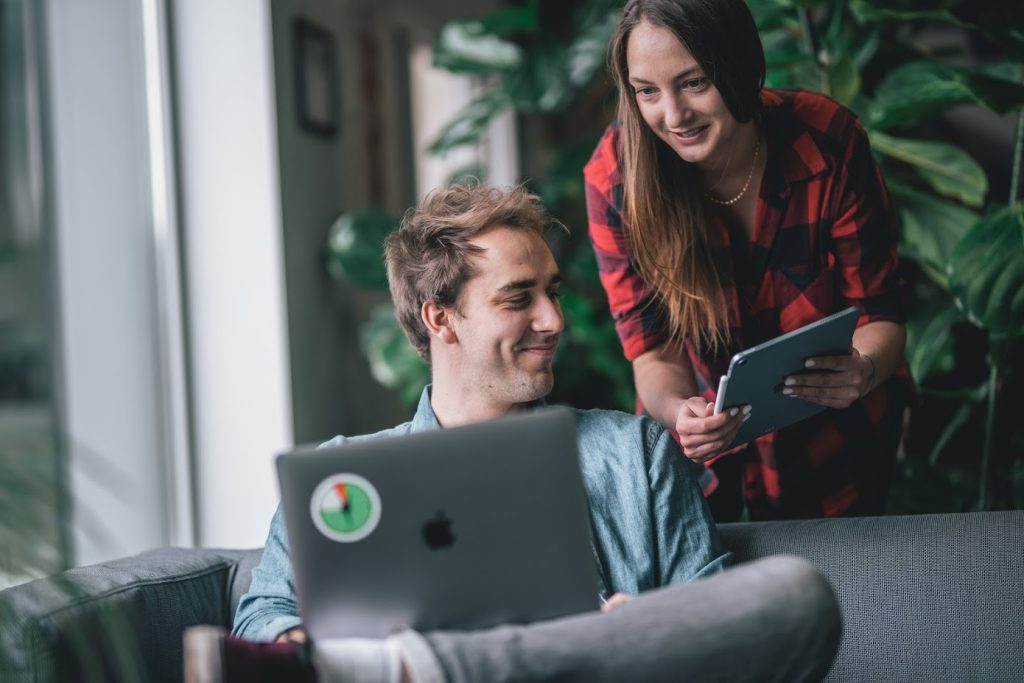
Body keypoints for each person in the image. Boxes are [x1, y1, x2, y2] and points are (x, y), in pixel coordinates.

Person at [188, 184, 841, 683]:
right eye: (517, 297)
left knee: (798, 595)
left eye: (552, 291)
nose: (554, 319)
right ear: (441, 320)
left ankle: (418, 666)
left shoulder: (634, 452)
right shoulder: (342, 474)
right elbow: (262, 627)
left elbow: (718, 617)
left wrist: (627, 636)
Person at [584, 0, 912, 521]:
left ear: (739, 65)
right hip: (701, 471)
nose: (673, 116)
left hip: (836, 452)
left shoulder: (827, 141)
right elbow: (651, 353)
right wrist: (680, 414)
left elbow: (880, 313)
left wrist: (864, 369)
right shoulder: (615, 177)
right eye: (647, 91)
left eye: (694, 83)